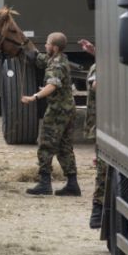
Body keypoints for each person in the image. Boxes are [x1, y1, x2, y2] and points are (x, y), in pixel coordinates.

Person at [21, 32, 79, 196]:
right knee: (64, 147)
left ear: (54, 47)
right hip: (68, 109)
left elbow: (52, 86)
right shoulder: (58, 59)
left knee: (46, 145)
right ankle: (72, 184)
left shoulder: (56, 65)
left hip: (57, 111)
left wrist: (34, 97)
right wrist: (26, 44)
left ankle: (45, 183)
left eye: (47, 43)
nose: (45, 46)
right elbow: (38, 58)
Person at [79, 39, 105, 229]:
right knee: (102, 169)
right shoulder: (101, 65)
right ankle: (97, 212)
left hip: (103, 126)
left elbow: (96, 86)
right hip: (102, 126)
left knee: (102, 171)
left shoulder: (100, 67)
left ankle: (98, 212)